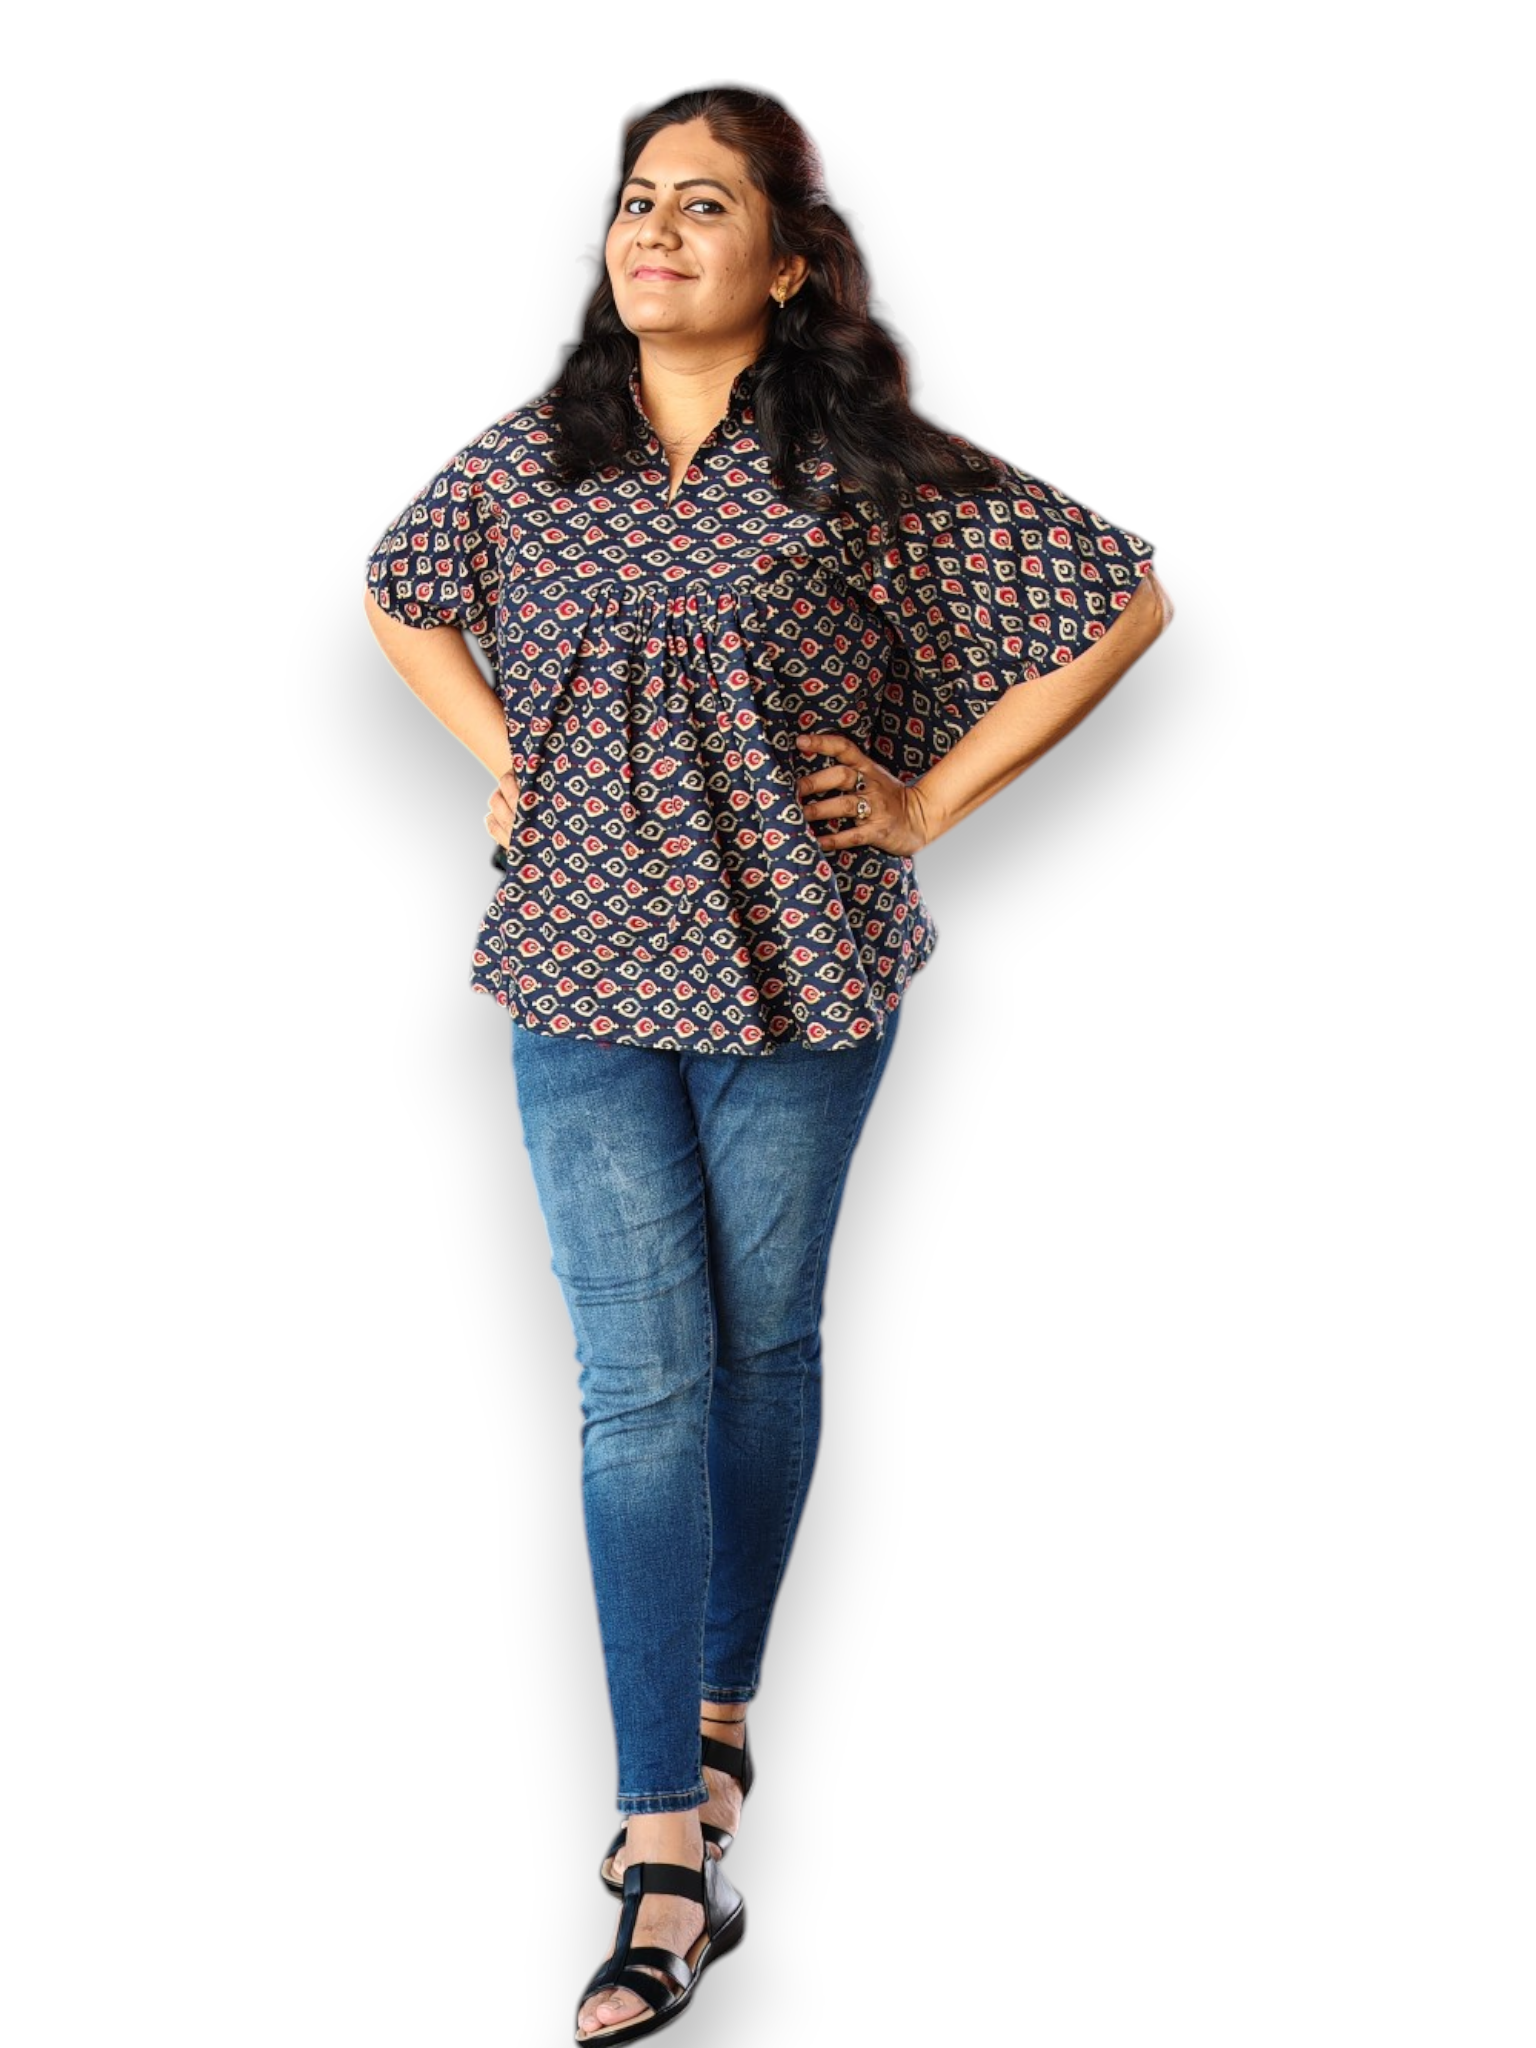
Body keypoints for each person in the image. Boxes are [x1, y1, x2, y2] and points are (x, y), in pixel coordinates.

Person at [364, 83, 1171, 2044]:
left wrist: (928, 799)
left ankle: (720, 1706)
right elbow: (397, 591)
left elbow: (1119, 595)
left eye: (704, 205)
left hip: (802, 963)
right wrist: (505, 761)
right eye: (637, 200)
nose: (654, 232)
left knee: (763, 1350)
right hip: (574, 967)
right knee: (640, 1390)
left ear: (788, 261)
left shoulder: (857, 465)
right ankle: (669, 1847)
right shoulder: (537, 456)